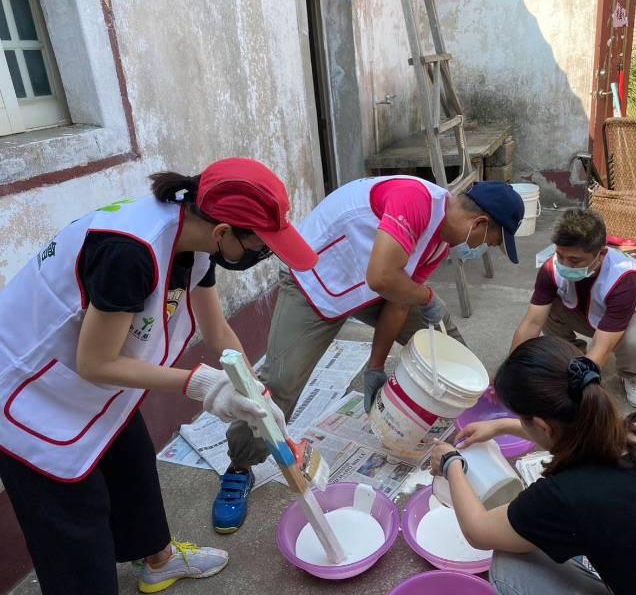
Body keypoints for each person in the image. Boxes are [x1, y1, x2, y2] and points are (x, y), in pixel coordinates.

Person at [0, 158, 317, 594]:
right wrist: (202, 385)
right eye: (258, 246)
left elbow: (217, 329)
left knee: (132, 463)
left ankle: (158, 560)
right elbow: (95, 363)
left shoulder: (197, 238)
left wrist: (255, 391)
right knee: (75, 522)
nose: (260, 255)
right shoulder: (129, 253)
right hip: (31, 391)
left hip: (91, 383)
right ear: (224, 232)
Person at [215, 176, 524, 533]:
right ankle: (239, 466)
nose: (483, 249)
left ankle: (471, 424)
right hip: (315, 283)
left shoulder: (442, 241)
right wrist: (427, 298)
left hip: (367, 287)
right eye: (490, 242)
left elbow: (396, 299)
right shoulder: (416, 201)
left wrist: (375, 367)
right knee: (280, 381)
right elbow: (382, 278)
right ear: (480, 223)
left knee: (444, 341)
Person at [432, 335, 636, 595]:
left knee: (511, 563)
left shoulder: (565, 495)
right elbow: (583, 430)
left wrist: (450, 462)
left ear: (543, 427)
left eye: (521, 420)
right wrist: (503, 426)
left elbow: (477, 531)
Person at [511, 208, 636, 408]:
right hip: (589, 314)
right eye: (560, 255)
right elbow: (532, 322)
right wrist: (511, 370)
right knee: (546, 307)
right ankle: (572, 354)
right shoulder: (551, 268)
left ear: (601, 254)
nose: (565, 264)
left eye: (575, 260)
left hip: (630, 320)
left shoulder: (624, 276)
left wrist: (572, 390)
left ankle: (632, 374)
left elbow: (602, 346)